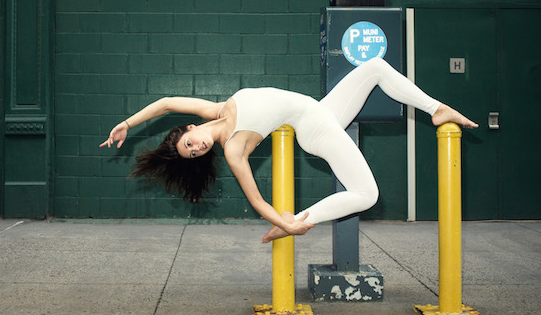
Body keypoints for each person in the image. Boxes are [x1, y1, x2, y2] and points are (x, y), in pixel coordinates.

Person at [100, 58, 478, 243]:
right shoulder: (234, 150)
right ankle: (301, 220)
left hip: (320, 109)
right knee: (368, 194)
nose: (197, 148)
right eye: (195, 155)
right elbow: (257, 200)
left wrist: (128, 124)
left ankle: (435, 108)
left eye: (189, 144)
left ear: (190, 129)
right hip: (314, 128)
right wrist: (283, 223)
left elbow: (166, 102)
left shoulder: (213, 109)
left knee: (375, 67)